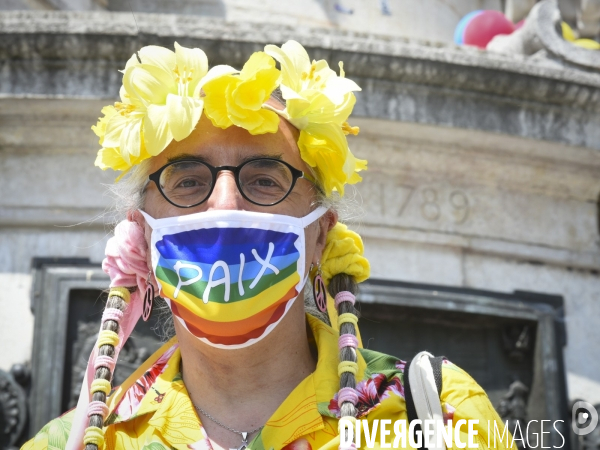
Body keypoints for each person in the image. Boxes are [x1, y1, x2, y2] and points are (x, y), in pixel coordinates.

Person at [23, 41, 515, 450]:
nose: (223, 204)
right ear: (143, 235)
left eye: (263, 180)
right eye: (188, 181)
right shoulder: (71, 442)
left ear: (320, 233)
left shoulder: (443, 417)